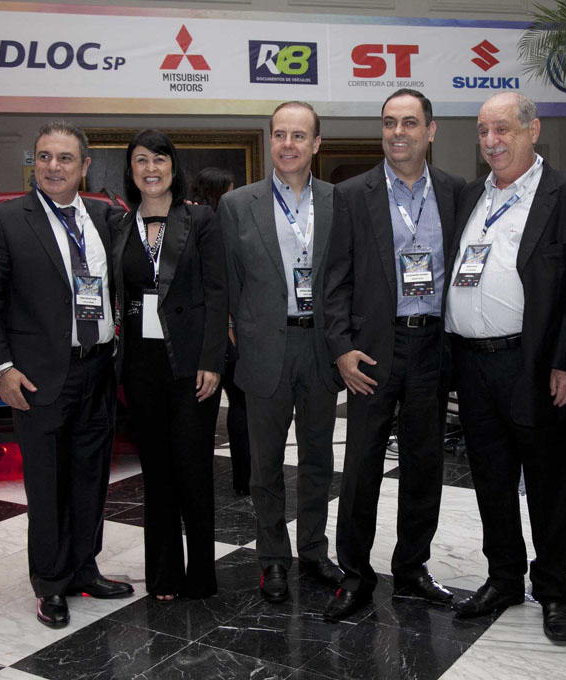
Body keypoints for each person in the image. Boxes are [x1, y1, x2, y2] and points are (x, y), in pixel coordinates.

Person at [0, 121, 133, 629]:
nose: (53, 167)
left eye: (65, 158)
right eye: (44, 157)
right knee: (46, 484)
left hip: (98, 369)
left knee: (91, 478)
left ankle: (84, 568)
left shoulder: (104, 217)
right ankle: (51, 583)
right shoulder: (5, 220)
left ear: (85, 166)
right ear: (33, 163)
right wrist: (2, 368)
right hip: (38, 377)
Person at [443, 92, 566, 640]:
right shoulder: (471, 195)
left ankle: (553, 590)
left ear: (533, 130)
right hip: (472, 365)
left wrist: (565, 362)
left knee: (549, 482)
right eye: (484, 131)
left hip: (534, 366)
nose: (491, 141)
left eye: (503, 129)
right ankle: (504, 577)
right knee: (490, 478)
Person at [322, 88, 464, 622]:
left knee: (425, 464)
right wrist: (342, 349)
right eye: (388, 123)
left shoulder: (455, 192)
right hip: (373, 351)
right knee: (361, 466)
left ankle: (411, 569)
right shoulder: (351, 194)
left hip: (433, 346)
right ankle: (356, 575)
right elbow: (333, 281)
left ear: (430, 131)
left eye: (408, 122)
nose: (397, 132)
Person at [219, 101, 345, 604]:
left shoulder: (339, 201)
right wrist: (238, 331)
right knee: (264, 465)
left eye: (299, 135)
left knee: (318, 460)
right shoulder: (237, 205)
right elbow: (228, 282)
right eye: (279, 135)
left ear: (316, 144)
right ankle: (272, 557)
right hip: (264, 348)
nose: (288, 144)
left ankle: (313, 550)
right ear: (270, 140)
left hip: (320, 348)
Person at [111, 130, 227, 602]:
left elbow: (218, 293)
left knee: (193, 469)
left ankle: (200, 574)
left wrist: (213, 359)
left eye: (159, 159)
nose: (151, 168)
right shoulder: (120, 225)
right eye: (141, 160)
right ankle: (162, 575)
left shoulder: (199, 220)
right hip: (141, 364)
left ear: (173, 168)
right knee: (156, 471)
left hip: (191, 363)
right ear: (131, 170)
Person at [192, 167, 250, 495]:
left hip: (201, 333)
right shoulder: (220, 228)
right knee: (240, 404)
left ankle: (199, 483)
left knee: (204, 412)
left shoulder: (189, 223)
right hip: (224, 331)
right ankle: (244, 480)